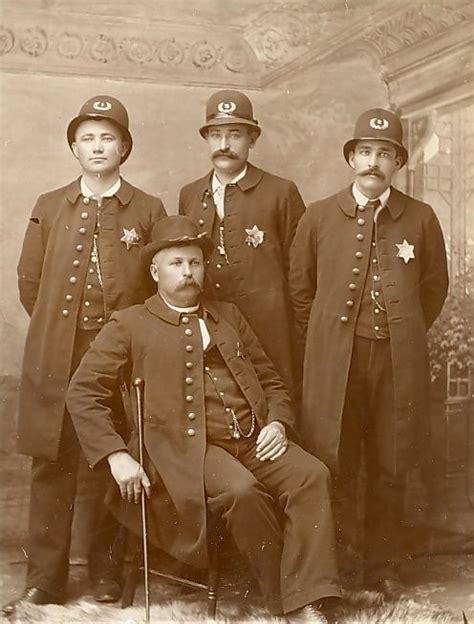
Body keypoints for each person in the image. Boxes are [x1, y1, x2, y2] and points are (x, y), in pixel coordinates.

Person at [66, 215, 341, 623]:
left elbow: (271, 381)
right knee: (243, 493)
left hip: (251, 437)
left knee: (311, 475)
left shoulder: (227, 315)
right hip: (185, 449)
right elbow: (81, 392)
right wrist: (116, 455)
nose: (187, 273)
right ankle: (289, 602)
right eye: (176, 263)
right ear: (155, 270)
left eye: (194, 263)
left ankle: (310, 593)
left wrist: (277, 423)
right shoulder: (129, 324)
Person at [3, 95, 167, 616]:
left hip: (120, 357)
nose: (98, 147)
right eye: (88, 139)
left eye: (108, 138)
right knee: (52, 462)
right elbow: (31, 283)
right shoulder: (50, 205)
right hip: (58, 351)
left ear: (125, 147)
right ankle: (44, 581)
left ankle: (105, 573)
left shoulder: (148, 208)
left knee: (110, 460)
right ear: (75, 148)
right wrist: (60, 330)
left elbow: (153, 284)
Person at [289, 108, 449, 596]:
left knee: (391, 461)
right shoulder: (318, 215)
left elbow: (434, 288)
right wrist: (326, 344)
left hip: (397, 361)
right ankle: (333, 569)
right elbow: (301, 291)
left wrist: (401, 332)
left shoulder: (420, 217)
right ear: (351, 158)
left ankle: (382, 567)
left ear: (397, 162)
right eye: (364, 152)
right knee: (334, 460)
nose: (372, 162)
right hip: (336, 361)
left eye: (383, 153)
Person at [179, 90, 305, 395]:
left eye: (234, 135)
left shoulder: (281, 192)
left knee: (275, 403)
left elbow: (302, 272)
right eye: (216, 135)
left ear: (252, 139)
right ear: (207, 139)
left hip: (270, 331)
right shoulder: (191, 194)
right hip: (209, 326)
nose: (224, 145)